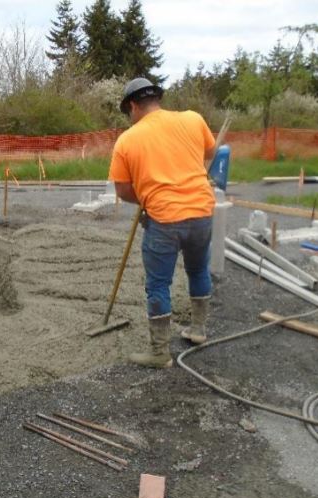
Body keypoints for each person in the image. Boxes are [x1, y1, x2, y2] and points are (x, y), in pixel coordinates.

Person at [110, 78, 217, 368]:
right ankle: (198, 329)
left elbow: (122, 190)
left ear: (132, 106)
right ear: (157, 99)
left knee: (158, 283)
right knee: (198, 269)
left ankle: (159, 352)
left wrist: (145, 200)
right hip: (202, 212)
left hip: (164, 219)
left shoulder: (128, 139)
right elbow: (210, 152)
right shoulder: (193, 119)